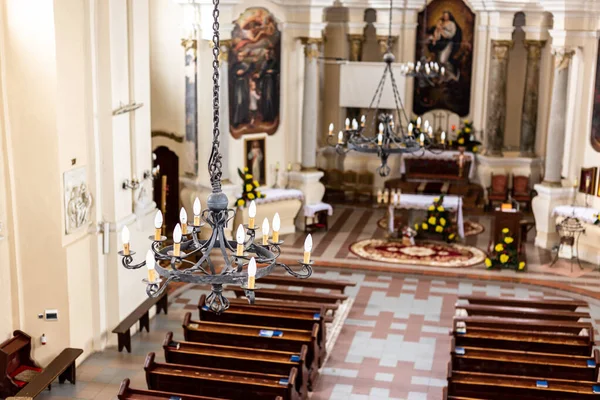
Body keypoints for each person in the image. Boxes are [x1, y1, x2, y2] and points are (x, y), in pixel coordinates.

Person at [427, 11, 462, 82]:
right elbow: (437, 35)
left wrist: (441, 30)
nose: (445, 17)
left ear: (449, 16)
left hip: (447, 44)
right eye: (444, 15)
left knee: (443, 60)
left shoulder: (452, 24)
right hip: (440, 44)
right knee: (439, 62)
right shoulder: (441, 23)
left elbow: (449, 35)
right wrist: (434, 38)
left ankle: (452, 75)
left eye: (447, 15)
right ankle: (442, 78)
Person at [258, 48, 279, 122]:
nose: (267, 55)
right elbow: (262, 72)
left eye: (268, 53)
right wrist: (259, 75)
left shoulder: (274, 62)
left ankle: (271, 116)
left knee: (269, 97)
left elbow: (278, 71)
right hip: (265, 82)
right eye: (266, 54)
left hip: (271, 82)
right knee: (264, 98)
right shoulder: (264, 63)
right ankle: (265, 116)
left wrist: (272, 71)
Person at [231, 52, 251, 127]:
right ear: (237, 57)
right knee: (238, 101)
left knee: (245, 101)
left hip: (244, 84)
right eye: (239, 56)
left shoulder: (245, 65)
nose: (240, 57)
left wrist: (244, 73)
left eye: (242, 56)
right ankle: (237, 120)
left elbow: (248, 73)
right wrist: (236, 73)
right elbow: (232, 75)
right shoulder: (234, 66)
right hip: (237, 84)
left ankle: (244, 119)